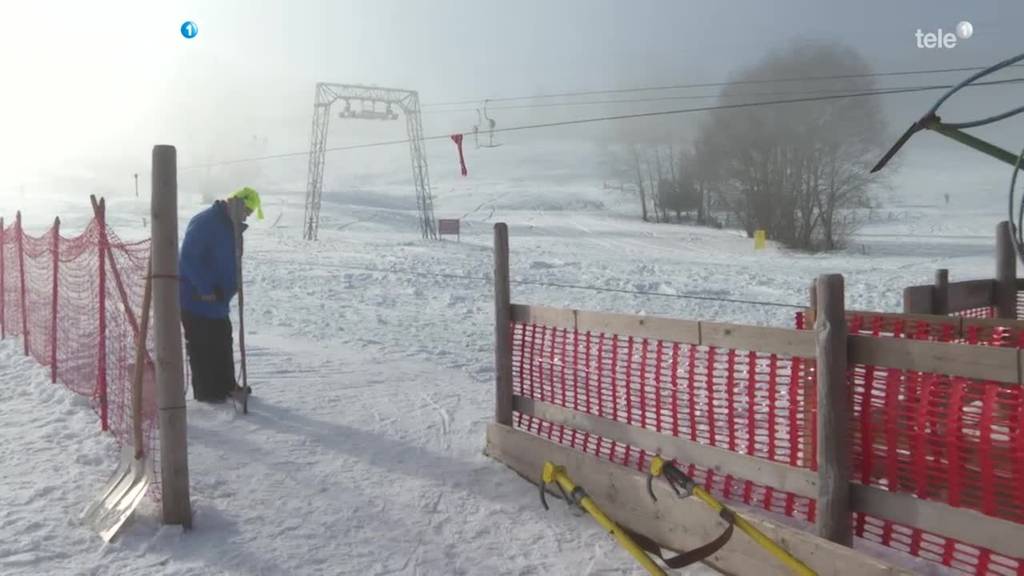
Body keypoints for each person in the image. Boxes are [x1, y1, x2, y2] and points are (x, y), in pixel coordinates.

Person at [179, 187, 263, 402]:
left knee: (222, 341)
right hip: (197, 299)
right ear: (236, 204)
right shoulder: (206, 222)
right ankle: (208, 393)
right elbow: (188, 258)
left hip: (218, 300)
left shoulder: (230, 226)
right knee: (202, 345)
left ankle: (227, 386)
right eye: (247, 211)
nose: (247, 216)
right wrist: (205, 289)